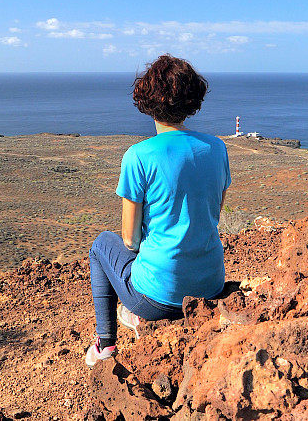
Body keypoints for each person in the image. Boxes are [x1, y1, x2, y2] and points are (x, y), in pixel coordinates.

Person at [85, 54, 231, 366]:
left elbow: (129, 240)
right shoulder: (217, 148)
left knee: (101, 246)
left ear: (146, 98)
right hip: (211, 285)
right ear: (192, 99)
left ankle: (106, 343)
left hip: (158, 299)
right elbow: (213, 214)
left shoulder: (139, 156)